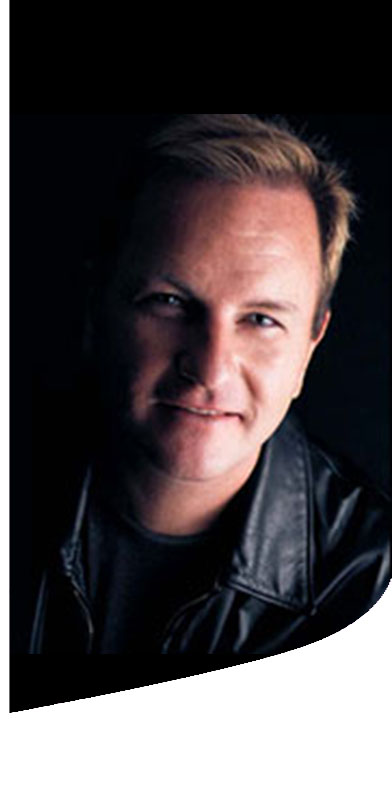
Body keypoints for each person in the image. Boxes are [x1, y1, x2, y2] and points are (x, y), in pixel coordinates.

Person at [22, 114, 390, 655]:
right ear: (98, 307)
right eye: (170, 303)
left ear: (310, 345)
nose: (211, 368)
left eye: (261, 320)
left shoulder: (373, 583)